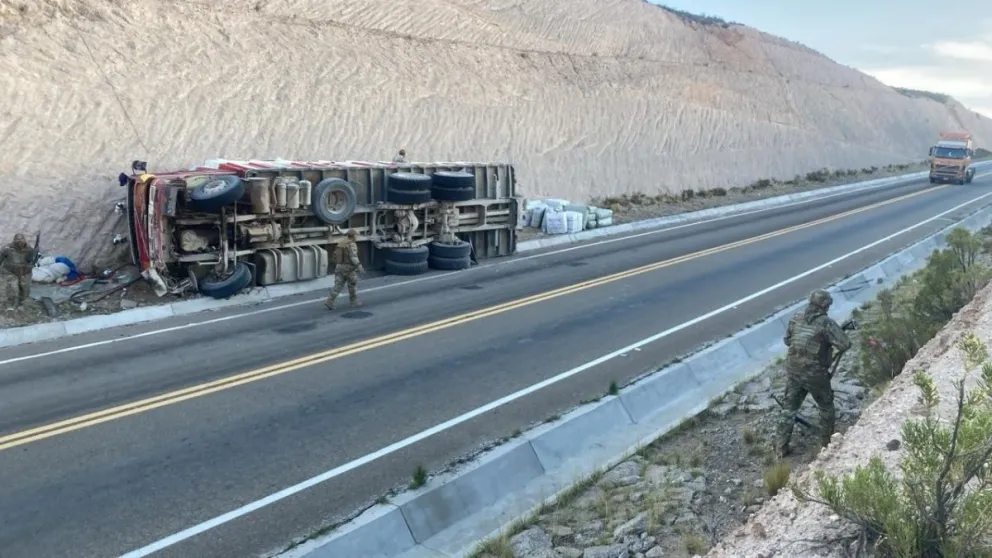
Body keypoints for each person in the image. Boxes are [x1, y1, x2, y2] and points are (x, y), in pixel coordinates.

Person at [777, 288, 852, 456]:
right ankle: (826, 447)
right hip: (815, 375)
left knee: (788, 410)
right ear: (824, 306)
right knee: (826, 408)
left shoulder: (796, 318)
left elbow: (787, 340)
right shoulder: (826, 323)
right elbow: (845, 344)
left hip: (794, 370)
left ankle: (780, 448)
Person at [325, 229, 364, 310]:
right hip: (348, 268)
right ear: (353, 236)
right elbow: (353, 257)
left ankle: (330, 300)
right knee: (352, 285)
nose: (357, 237)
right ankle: (354, 301)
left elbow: (335, 256)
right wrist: (359, 266)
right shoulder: (352, 244)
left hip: (339, 267)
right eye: (357, 235)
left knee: (338, 285)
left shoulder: (341, 243)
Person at [0, 233, 38, 308]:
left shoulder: (29, 250)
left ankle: (22, 303)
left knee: (24, 290)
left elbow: (31, 261)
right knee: (12, 290)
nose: (19, 241)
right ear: (14, 240)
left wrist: (35, 254)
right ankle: (9, 304)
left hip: (24, 272)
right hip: (9, 272)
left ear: (24, 240)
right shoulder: (6, 249)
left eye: (21, 239)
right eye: (17, 239)